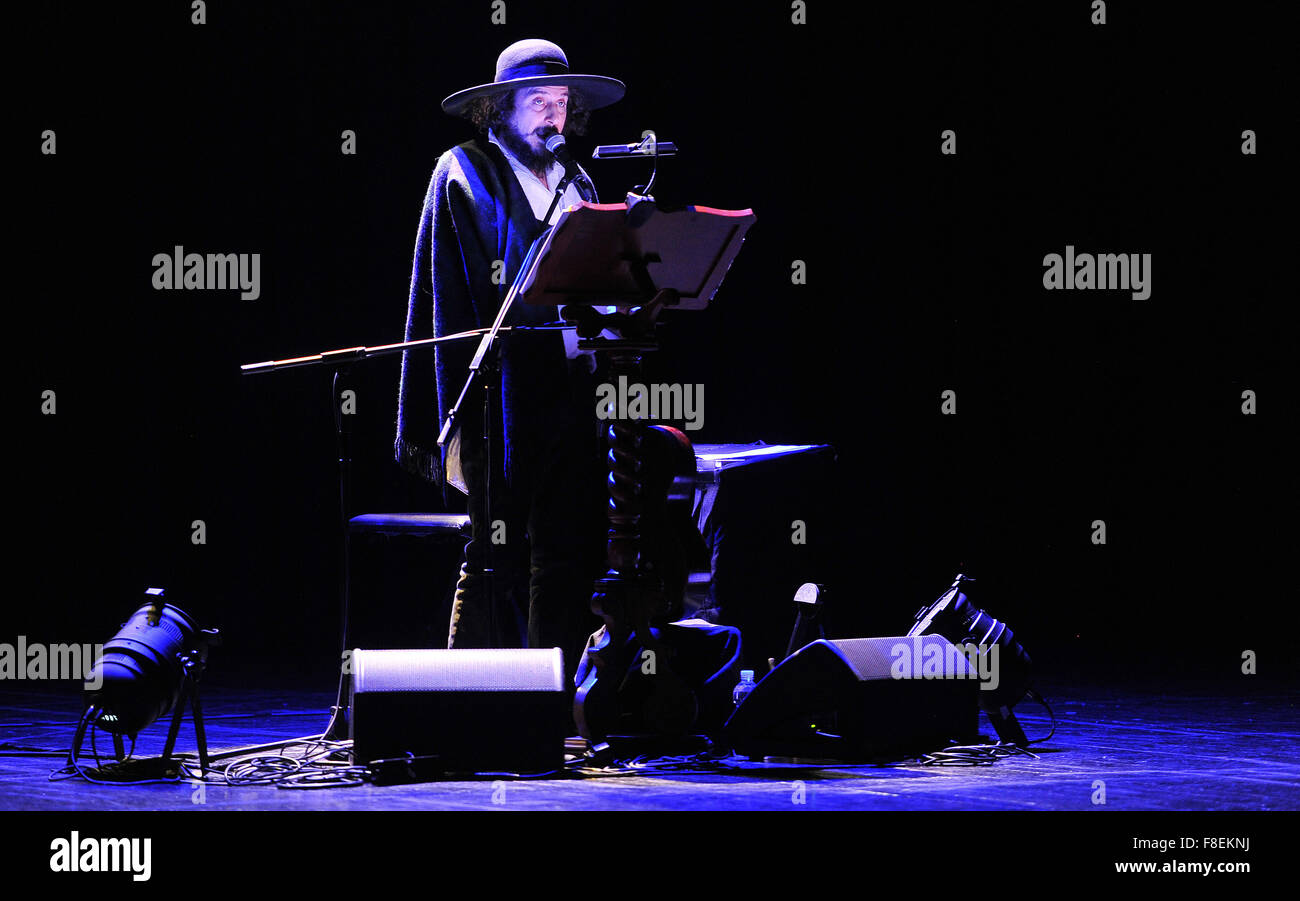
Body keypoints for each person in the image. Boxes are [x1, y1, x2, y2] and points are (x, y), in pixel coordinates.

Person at [394, 40, 625, 685]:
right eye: (536, 103)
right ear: (501, 109)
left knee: (565, 551)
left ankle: (550, 700)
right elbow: (461, 286)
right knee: (494, 547)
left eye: (560, 104)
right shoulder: (465, 168)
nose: (552, 117)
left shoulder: (576, 182)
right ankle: (463, 698)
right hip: (502, 391)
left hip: (573, 386)